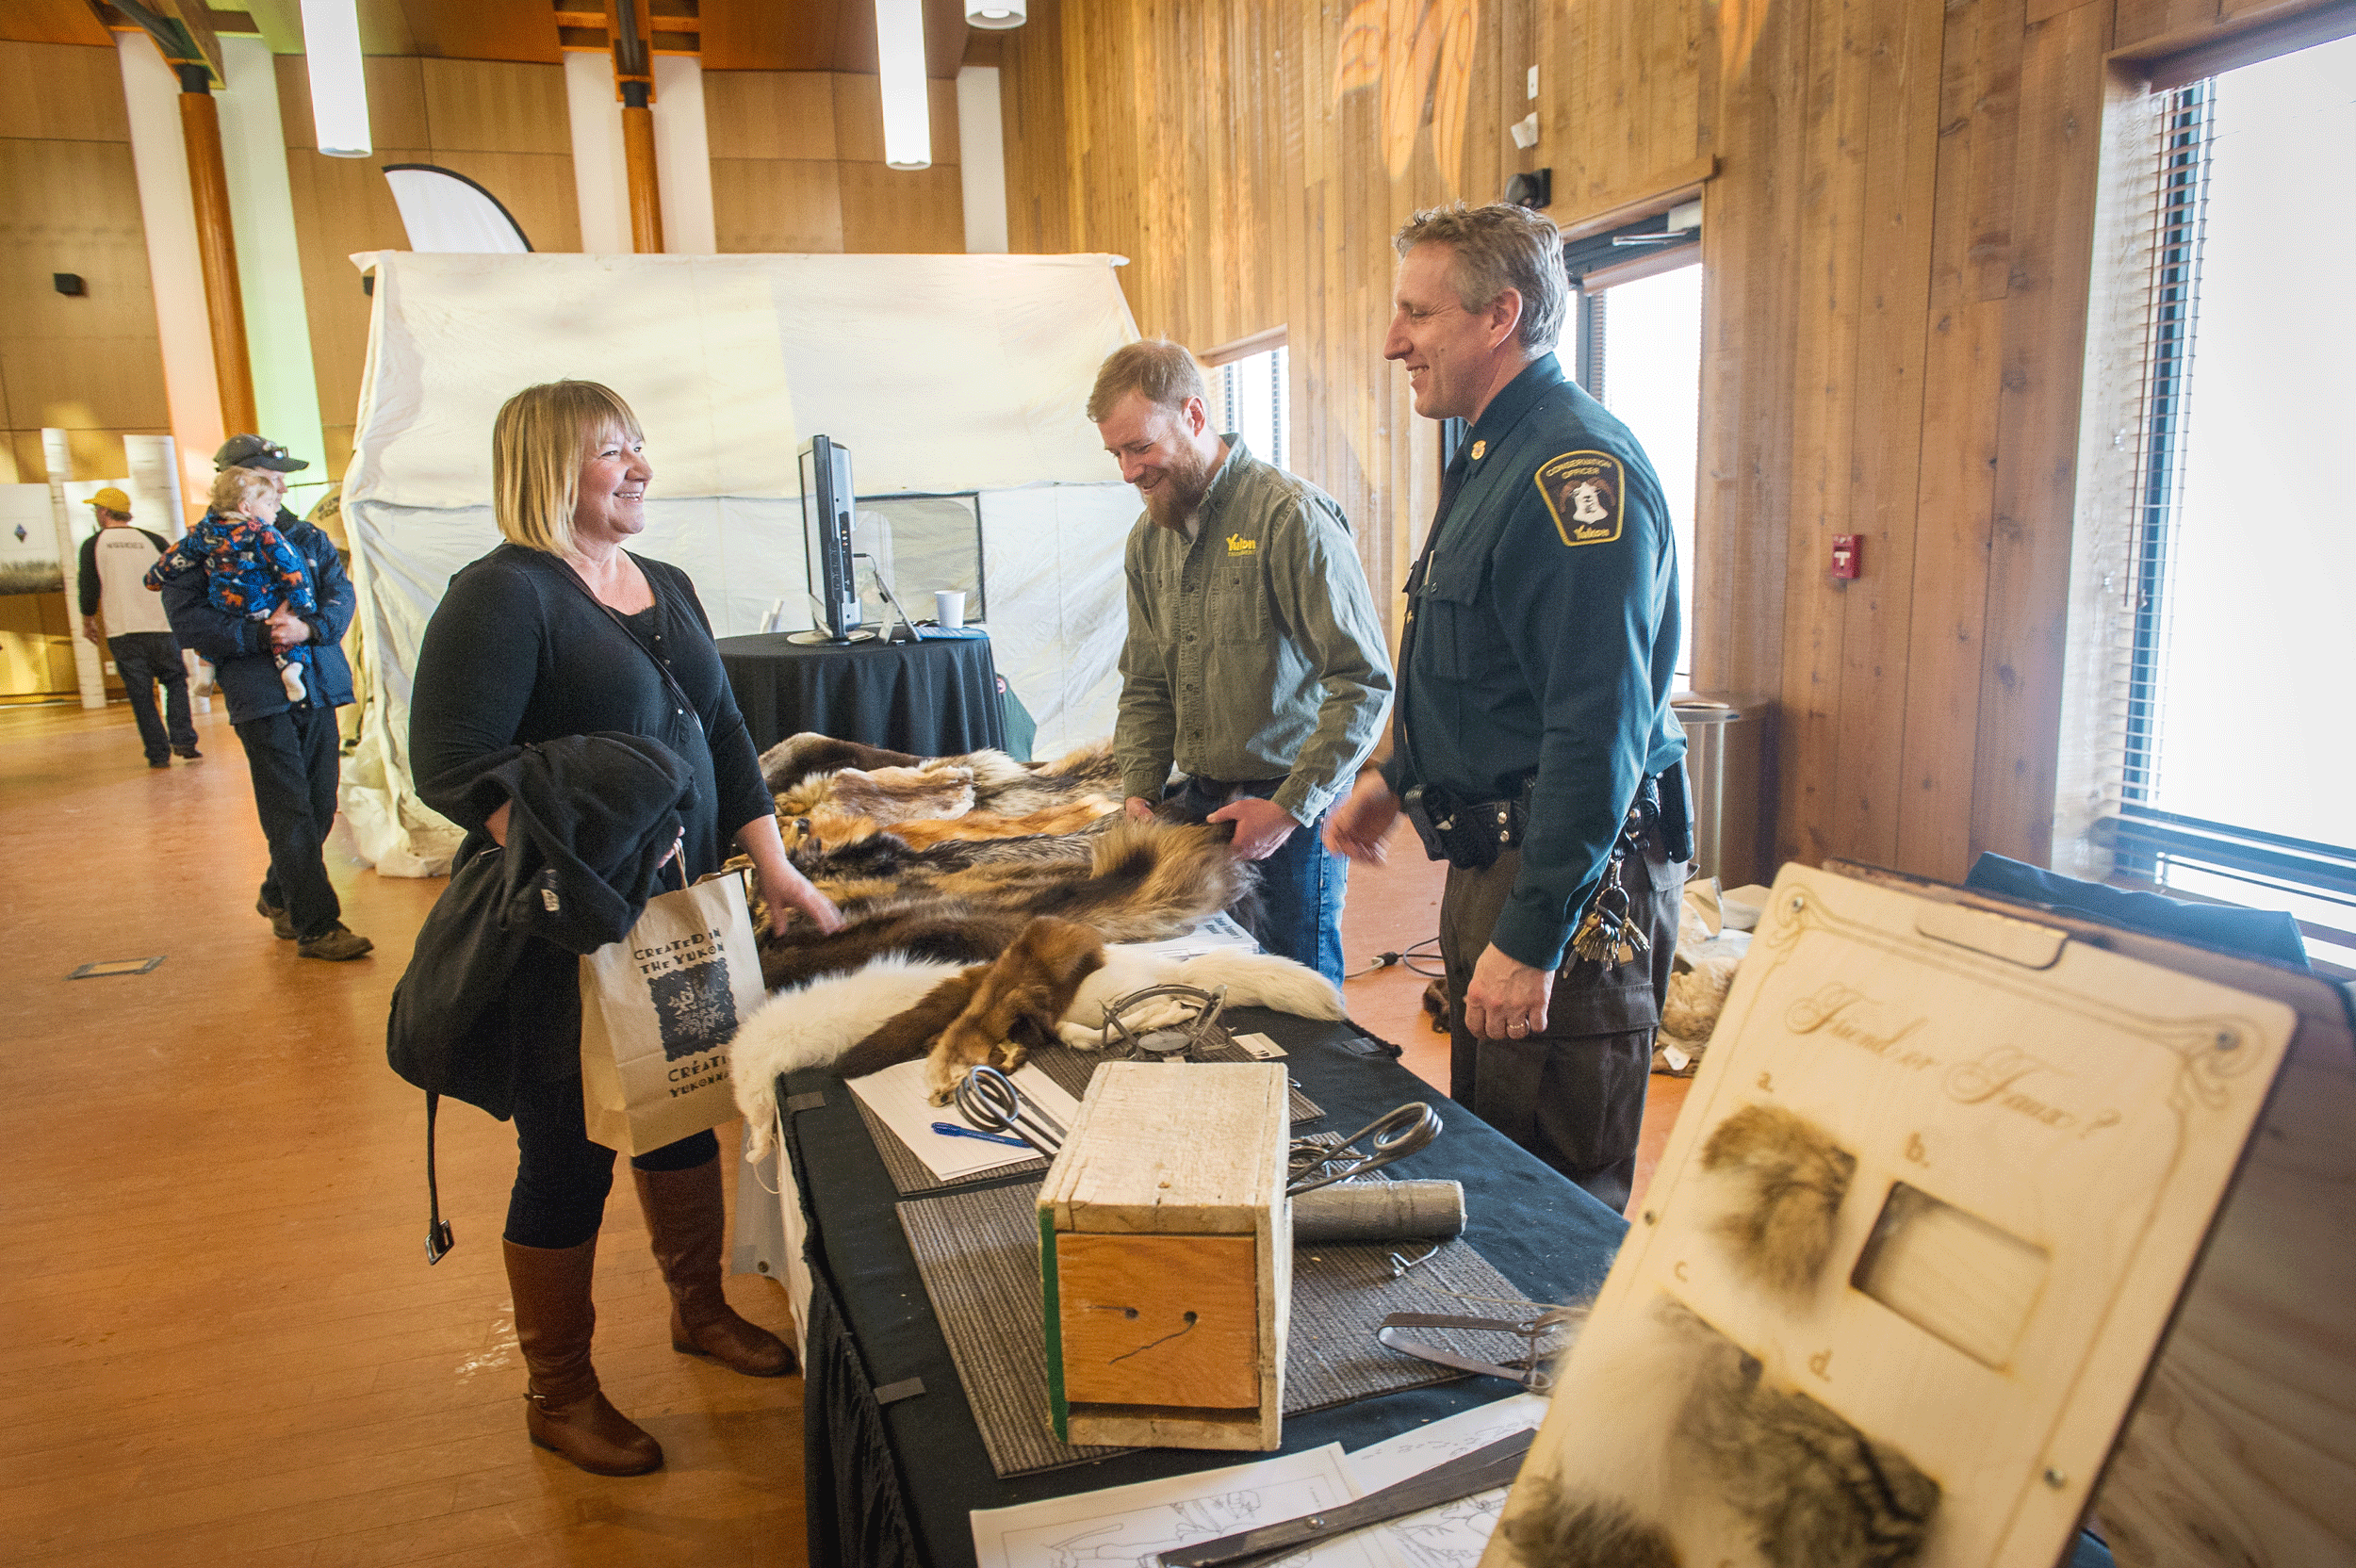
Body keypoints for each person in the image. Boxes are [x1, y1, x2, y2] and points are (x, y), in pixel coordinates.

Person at [406, 380, 843, 1478]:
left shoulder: (666, 581)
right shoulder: (502, 595)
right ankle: (559, 1390)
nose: (640, 465)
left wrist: (774, 861)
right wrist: (571, 860)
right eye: (614, 451)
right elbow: (452, 764)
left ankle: (697, 1306)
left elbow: (727, 726)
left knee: (678, 1105)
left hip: (681, 910)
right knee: (564, 1153)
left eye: (640, 445)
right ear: (553, 466)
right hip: (567, 929)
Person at [1323, 204, 1688, 1212]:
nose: (1393, 340)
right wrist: (1392, 779)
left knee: (1553, 1198)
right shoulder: (1491, 454)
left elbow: (1594, 737)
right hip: (1499, 857)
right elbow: (1477, 671)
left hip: (1568, 877)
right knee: (1492, 1167)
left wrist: (1529, 941)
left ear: (1500, 317)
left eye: (1417, 314)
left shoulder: (1575, 475)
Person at [1089, 340, 1393, 986]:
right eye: (1116, 453)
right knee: (1220, 984)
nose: (1127, 471)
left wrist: (1286, 808)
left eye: (1139, 447)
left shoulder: (1291, 518)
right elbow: (1145, 682)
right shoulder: (1149, 540)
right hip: (1201, 801)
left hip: (1290, 806)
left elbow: (1364, 682)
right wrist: (1140, 790)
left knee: (1298, 991)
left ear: (1194, 416)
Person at [157, 464, 372, 962]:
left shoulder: (305, 536)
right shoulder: (200, 549)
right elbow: (187, 621)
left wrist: (311, 629)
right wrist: (260, 635)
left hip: (316, 685)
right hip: (260, 694)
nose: (279, 484)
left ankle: (279, 894)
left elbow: (340, 593)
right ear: (241, 488)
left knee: (319, 805)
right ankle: (317, 926)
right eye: (267, 476)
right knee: (290, 809)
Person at [147, 468, 318, 705]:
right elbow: (289, 567)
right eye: (269, 504)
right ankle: (291, 670)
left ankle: (206, 674)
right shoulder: (265, 534)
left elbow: (176, 557)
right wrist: (304, 604)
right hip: (261, 601)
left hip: (225, 602)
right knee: (285, 636)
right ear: (246, 508)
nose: (275, 510)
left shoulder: (204, 532)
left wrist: (154, 577)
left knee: (213, 642)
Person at [75, 486, 198, 768]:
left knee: (141, 694)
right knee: (175, 681)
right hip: (162, 626)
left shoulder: (93, 544)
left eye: (97, 508)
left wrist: (88, 619)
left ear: (105, 512)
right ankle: (184, 740)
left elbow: (89, 585)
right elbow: (175, 576)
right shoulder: (153, 540)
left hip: (124, 630)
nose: (96, 513)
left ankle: (157, 753)